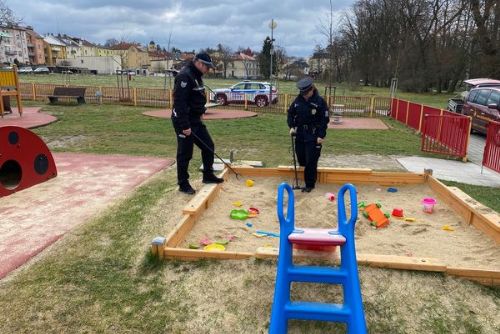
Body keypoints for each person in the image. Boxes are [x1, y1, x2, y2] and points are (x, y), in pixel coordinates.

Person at [171, 53, 223, 194]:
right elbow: (179, 103)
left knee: (208, 146)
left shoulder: (197, 76)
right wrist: (185, 126)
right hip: (184, 121)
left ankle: (208, 175)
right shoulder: (184, 76)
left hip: (195, 119)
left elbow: (197, 96)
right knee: (185, 153)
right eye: (207, 67)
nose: (208, 70)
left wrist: (201, 111)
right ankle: (183, 184)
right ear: (199, 63)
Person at [287, 77, 330, 192]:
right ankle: (308, 174)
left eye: (306, 93)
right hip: (300, 134)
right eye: (303, 93)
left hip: (313, 135)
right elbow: (290, 113)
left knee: (311, 160)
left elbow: (324, 120)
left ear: (312, 89)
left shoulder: (320, 102)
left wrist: (321, 135)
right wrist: (291, 126)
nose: (304, 95)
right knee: (301, 157)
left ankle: (310, 184)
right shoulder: (298, 100)